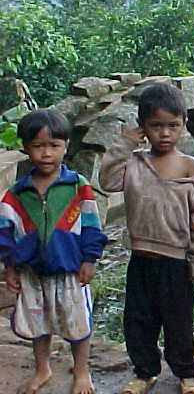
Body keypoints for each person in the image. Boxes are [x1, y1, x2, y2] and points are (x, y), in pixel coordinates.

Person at [99, 83, 194, 394]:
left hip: (176, 261)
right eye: (155, 126)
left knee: (179, 323)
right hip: (141, 257)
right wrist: (123, 144)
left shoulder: (189, 165)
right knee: (138, 320)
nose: (164, 133)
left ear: (184, 124)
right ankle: (145, 371)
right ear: (142, 127)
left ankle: (186, 372)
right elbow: (107, 181)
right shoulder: (134, 163)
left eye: (172, 126)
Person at [0, 108, 108, 394]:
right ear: (26, 148)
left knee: (77, 322)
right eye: (38, 146)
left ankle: (82, 370)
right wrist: (10, 266)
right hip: (32, 272)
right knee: (39, 322)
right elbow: (6, 232)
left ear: (65, 146)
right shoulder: (17, 193)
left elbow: (91, 225)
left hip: (70, 269)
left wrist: (89, 259)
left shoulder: (77, 187)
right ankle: (42, 368)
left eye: (54, 145)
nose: (46, 153)